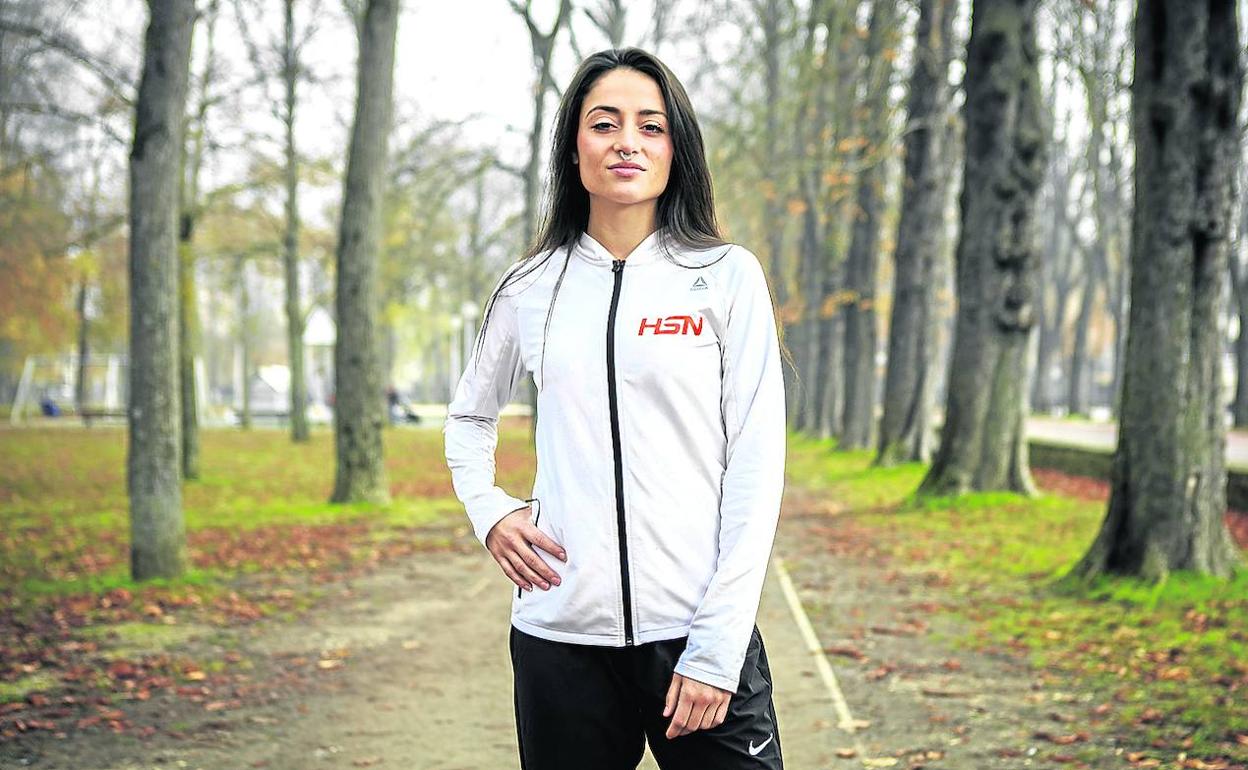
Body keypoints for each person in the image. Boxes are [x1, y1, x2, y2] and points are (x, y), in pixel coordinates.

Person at [443, 46, 788, 770]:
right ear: (575, 149)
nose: (627, 141)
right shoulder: (529, 288)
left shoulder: (726, 278)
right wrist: (490, 510)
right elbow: (470, 416)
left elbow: (756, 465)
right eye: (605, 124)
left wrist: (719, 646)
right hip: (561, 639)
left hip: (694, 633)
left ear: (675, 150)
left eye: (650, 126)